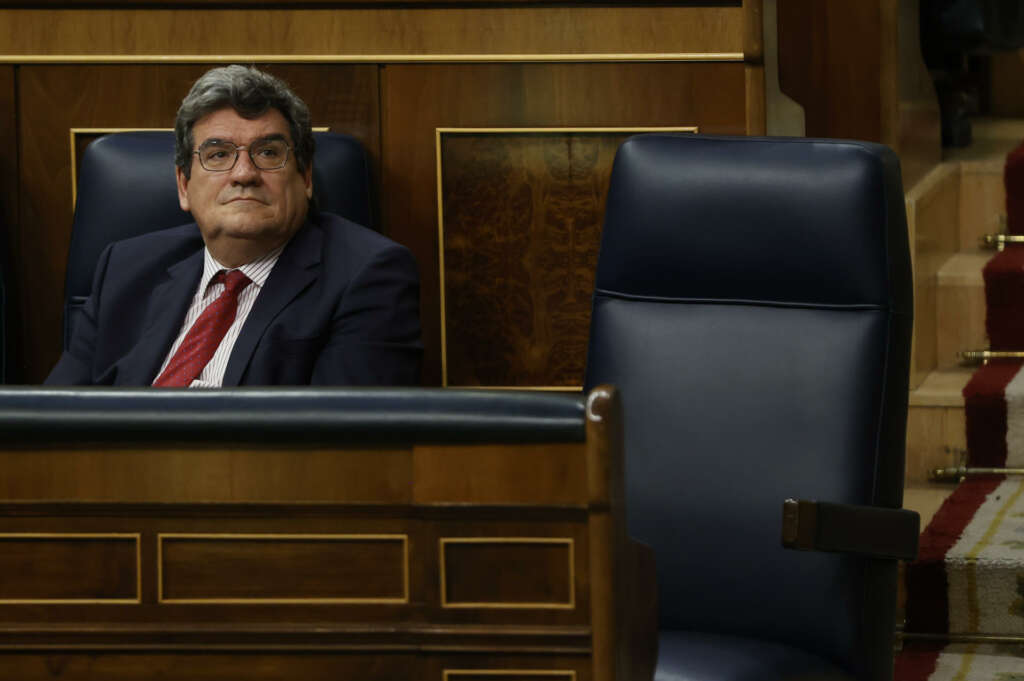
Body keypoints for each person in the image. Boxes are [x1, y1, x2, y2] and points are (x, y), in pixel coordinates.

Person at [45, 65, 421, 387]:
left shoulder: (369, 277)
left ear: (305, 177)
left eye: (269, 153)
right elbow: (55, 421)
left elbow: (343, 446)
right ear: (183, 185)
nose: (244, 173)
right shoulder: (125, 269)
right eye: (218, 154)